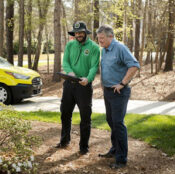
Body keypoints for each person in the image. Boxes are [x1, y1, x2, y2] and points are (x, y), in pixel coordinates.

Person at [96, 25, 140, 169]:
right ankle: (115, 150)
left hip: (119, 92)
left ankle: (121, 159)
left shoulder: (120, 48)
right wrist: (103, 84)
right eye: (98, 38)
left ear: (111, 36)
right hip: (108, 91)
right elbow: (105, 68)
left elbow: (134, 65)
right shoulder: (105, 50)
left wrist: (122, 83)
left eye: (102, 38)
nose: (100, 41)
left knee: (118, 123)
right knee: (111, 120)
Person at [56, 21, 100, 155]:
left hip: (84, 85)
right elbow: (66, 62)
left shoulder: (94, 47)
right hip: (69, 84)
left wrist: (88, 78)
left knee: (85, 117)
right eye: (76, 33)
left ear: (85, 33)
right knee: (65, 113)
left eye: (81, 32)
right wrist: (69, 72)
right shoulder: (70, 45)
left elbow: (94, 66)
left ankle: (84, 147)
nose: (78, 35)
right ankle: (64, 141)